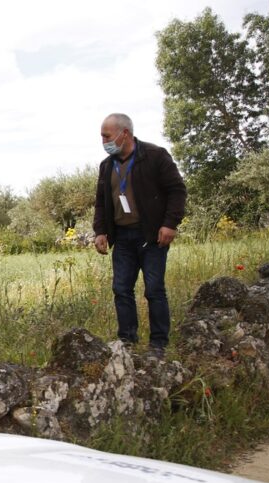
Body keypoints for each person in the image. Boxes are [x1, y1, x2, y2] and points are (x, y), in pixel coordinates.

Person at [92, 113, 186, 357]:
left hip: (151, 236)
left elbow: (177, 190)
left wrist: (170, 224)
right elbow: (101, 203)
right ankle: (127, 341)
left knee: (154, 289)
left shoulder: (155, 156)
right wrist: (100, 231)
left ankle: (158, 344)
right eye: (102, 136)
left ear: (125, 134)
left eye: (107, 136)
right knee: (121, 289)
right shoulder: (106, 166)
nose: (103, 141)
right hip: (122, 237)